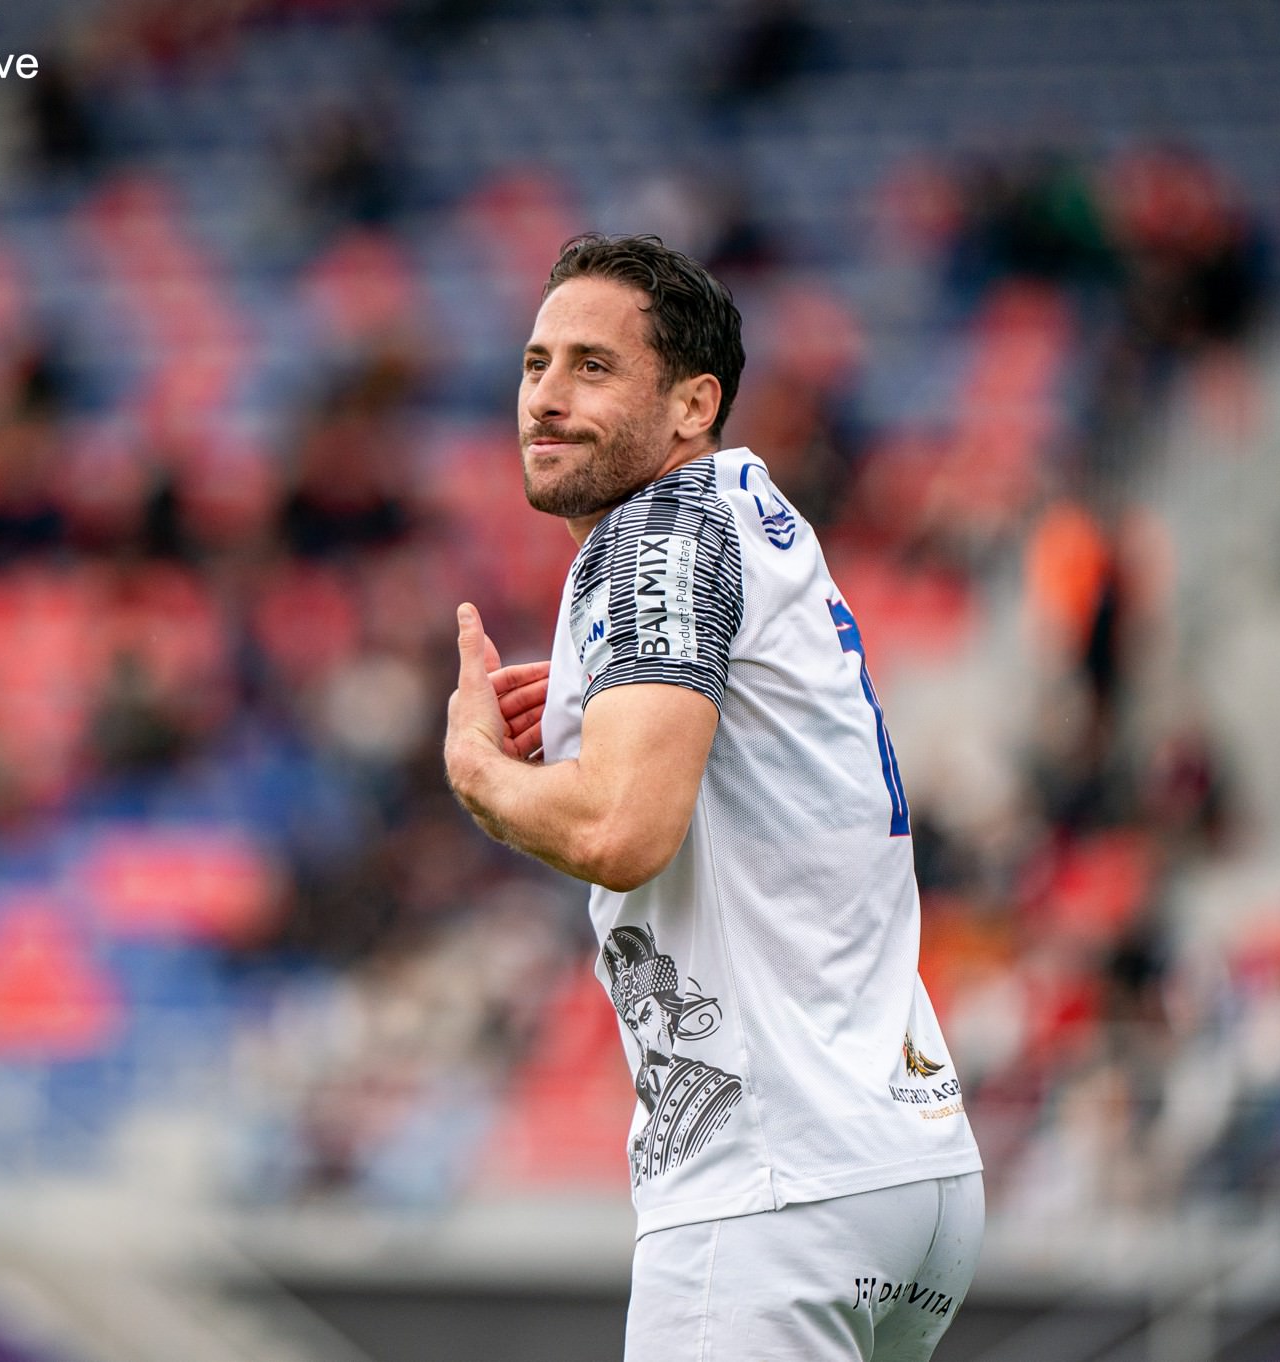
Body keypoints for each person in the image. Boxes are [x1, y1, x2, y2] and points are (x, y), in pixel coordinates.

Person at [442, 233, 983, 1361]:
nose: (544, 396)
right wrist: (603, 702)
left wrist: (483, 780)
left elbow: (620, 829)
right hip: (904, 1167)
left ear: (693, 403)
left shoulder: (655, 539)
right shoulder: (747, 520)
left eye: (592, 366)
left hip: (770, 1192)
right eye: (535, 363)